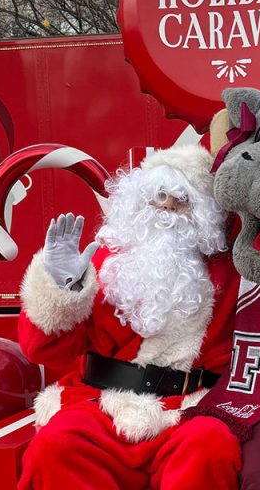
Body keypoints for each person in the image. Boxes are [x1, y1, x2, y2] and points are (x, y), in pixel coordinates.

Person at [16, 145, 241, 490]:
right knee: (56, 446)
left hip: (187, 410)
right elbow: (42, 351)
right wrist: (62, 288)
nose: (167, 206)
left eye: (182, 199)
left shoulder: (229, 273)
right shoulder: (103, 263)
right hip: (102, 406)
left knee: (211, 447)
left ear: (205, 213)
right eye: (159, 195)